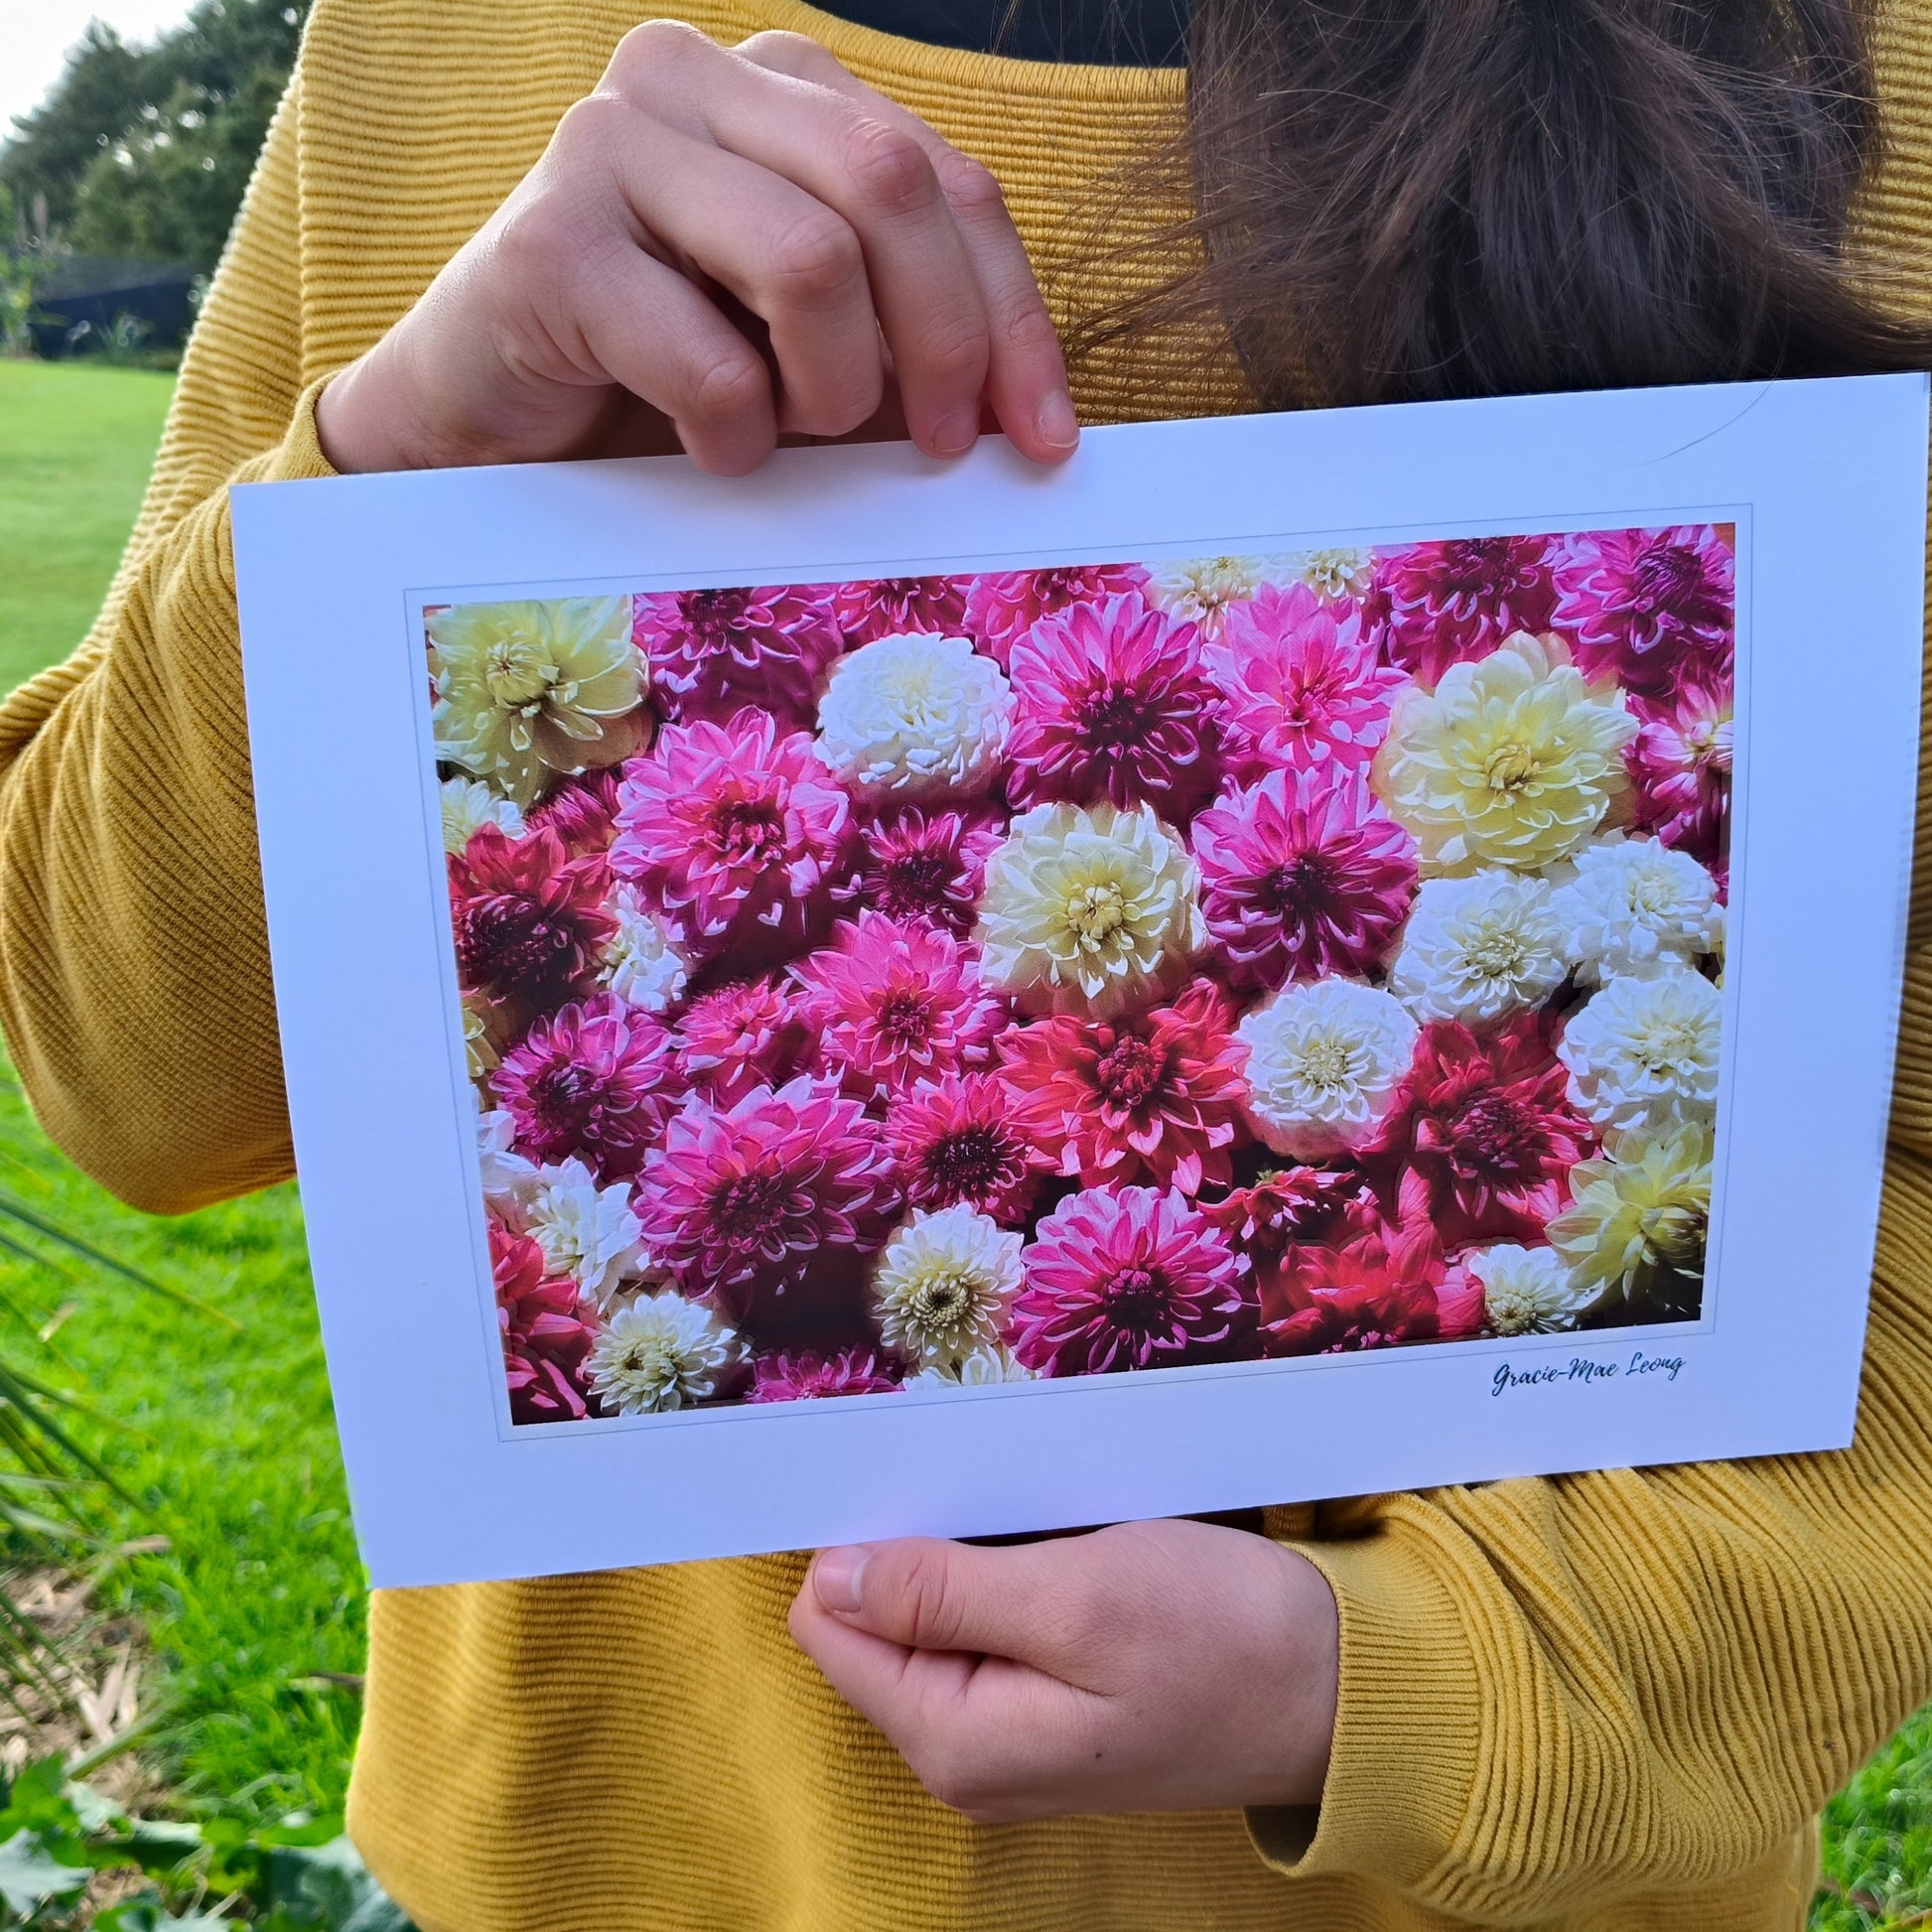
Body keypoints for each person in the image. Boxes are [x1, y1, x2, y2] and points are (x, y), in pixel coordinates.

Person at [3, 0, 1931, 1926]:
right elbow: (131, 1081)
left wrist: (1414, 1674)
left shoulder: (1870, 61)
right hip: (604, 1869)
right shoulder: (438, 46)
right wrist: (394, 449)